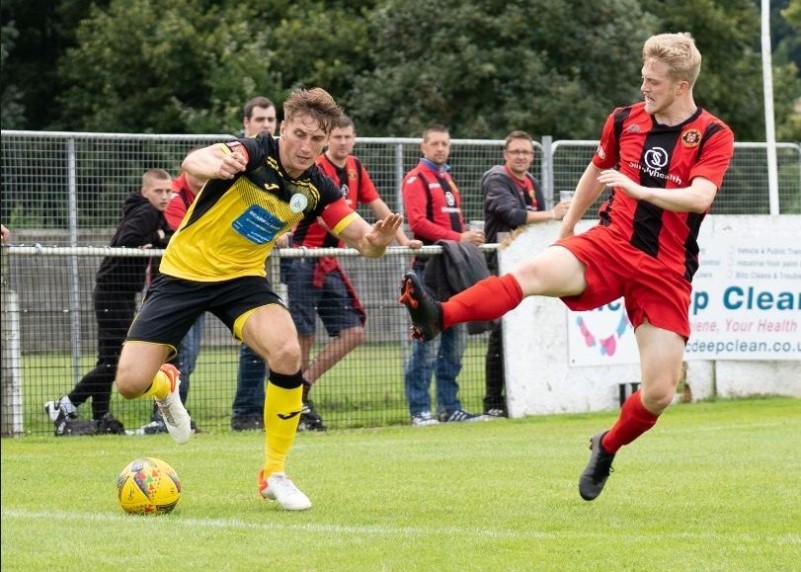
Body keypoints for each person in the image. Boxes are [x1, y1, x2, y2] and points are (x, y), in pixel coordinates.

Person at [399, 33, 734, 500]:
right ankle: (439, 315)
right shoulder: (624, 121)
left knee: (659, 392)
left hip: (665, 270)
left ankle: (607, 445)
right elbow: (596, 173)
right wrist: (567, 230)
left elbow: (700, 196)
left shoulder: (714, 134)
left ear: (681, 86)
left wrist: (640, 191)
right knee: (533, 274)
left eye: (654, 82)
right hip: (612, 243)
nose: (644, 88)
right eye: (642, 77)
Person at [114, 87, 403, 511]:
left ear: (326, 142)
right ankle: (166, 382)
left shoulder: (319, 185)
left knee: (287, 351)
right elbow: (195, 162)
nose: (305, 147)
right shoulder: (250, 152)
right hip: (182, 273)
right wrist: (218, 162)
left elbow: (363, 239)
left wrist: (378, 241)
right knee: (130, 384)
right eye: (299, 134)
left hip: (242, 279)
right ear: (284, 128)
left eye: (316, 140)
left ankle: (274, 473)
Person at [283, 113, 421, 430]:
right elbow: (319, 215)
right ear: (327, 140)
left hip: (330, 260)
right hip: (304, 257)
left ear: (354, 138)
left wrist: (402, 238)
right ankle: (294, 407)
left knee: (354, 330)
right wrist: (360, 233)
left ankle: (302, 386)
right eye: (337, 138)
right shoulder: (316, 170)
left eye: (348, 137)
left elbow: (378, 207)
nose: (343, 142)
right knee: (303, 332)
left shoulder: (357, 168)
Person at [45, 169, 174, 436]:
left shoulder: (151, 213)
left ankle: (100, 417)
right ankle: (64, 405)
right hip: (114, 292)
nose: (165, 196)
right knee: (117, 361)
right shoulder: (146, 213)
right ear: (145, 192)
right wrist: (157, 238)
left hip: (118, 292)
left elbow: (170, 235)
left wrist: (163, 236)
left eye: (168, 191)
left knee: (108, 358)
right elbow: (128, 241)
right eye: (159, 191)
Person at [480, 131, 569, 417]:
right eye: (516, 152)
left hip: (527, 267)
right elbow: (513, 215)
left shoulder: (531, 182)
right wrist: (554, 214)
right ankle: (493, 402)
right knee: (500, 333)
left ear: (532, 157)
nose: (521, 156)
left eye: (526, 153)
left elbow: (535, 221)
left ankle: (525, 394)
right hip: (500, 264)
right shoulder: (496, 179)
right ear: (505, 155)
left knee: (527, 330)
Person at [401, 123, 486, 426]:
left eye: (445, 143)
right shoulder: (415, 179)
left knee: (455, 342)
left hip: (452, 268)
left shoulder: (447, 179)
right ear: (423, 147)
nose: (440, 148)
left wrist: (464, 235)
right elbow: (419, 224)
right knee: (425, 341)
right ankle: (419, 410)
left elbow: (451, 226)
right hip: (427, 270)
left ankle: (450, 407)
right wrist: (458, 238)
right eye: (434, 143)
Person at [135, 167, 206, 435]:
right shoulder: (175, 199)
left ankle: (176, 415)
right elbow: (185, 238)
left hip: (201, 287)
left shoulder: (210, 194)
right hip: (173, 291)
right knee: (174, 353)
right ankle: (163, 416)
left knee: (189, 358)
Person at [232, 95, 281, 431]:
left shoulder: (281, 161)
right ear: (246, 123)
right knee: (175, 352)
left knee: (262, 344)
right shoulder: (236, 156)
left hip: (249, 272)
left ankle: (249, 412)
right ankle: (163, 414)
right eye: (260, 119)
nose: (266, 125)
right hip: (205, 267)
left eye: (270, 119)